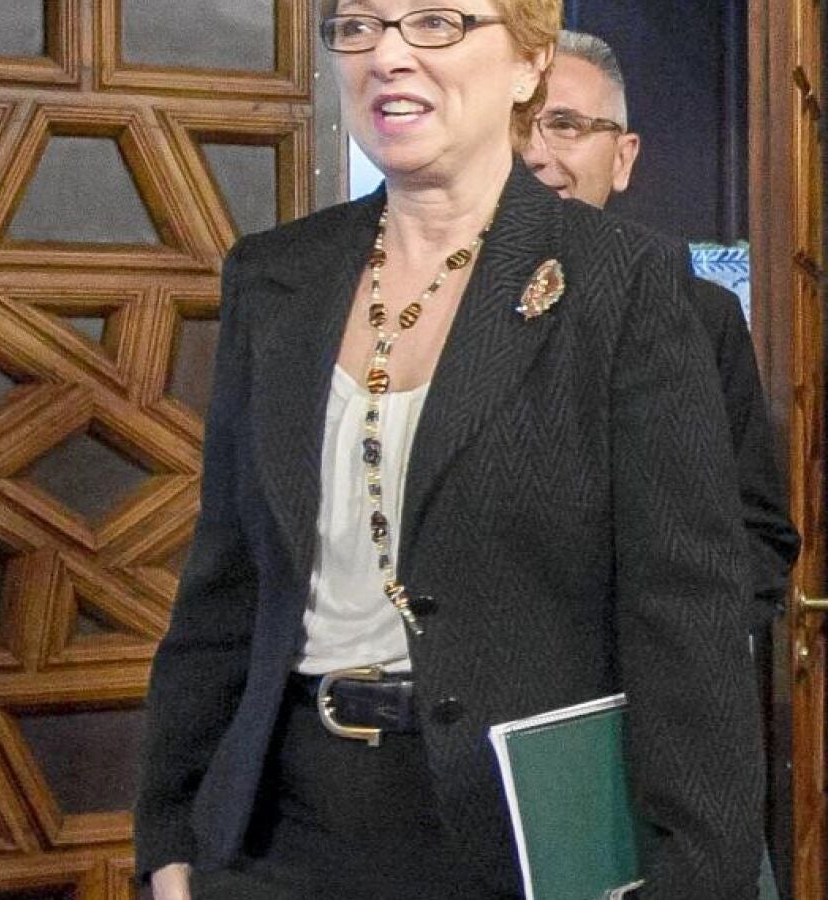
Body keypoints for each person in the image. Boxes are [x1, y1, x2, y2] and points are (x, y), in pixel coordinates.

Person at [134, 2, 765, 898]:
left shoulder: (625, 283)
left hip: (515, 832)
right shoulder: (275, 275)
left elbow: (686, 616)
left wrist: (698, 875)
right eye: (360, 26)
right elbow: (225, 580)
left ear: (525, 64)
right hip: (276, 830)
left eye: (434, 23)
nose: (388, 54)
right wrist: (168, 838)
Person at [522, 30, 799, 628]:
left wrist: (677, 646)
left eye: (565, 125)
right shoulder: (428, 308)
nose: (534, 153)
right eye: (515, 125)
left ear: (623, 158)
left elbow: (757, 536)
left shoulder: (702, 315)